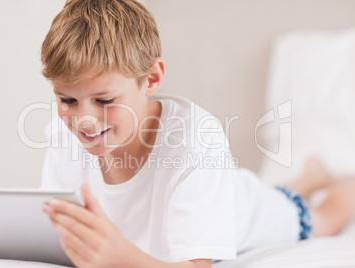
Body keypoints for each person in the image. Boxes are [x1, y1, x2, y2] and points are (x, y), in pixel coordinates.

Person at [40, 0, 355, 267]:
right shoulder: (63, 134)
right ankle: (309, 177)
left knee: (322, 218)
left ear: (151, 79)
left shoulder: (195, 140)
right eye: (67, 100)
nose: (84, 121)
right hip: (223, 190)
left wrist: (122, 258)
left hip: (250, 207)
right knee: (256, 188)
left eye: (105, 101)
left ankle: (339, 183)